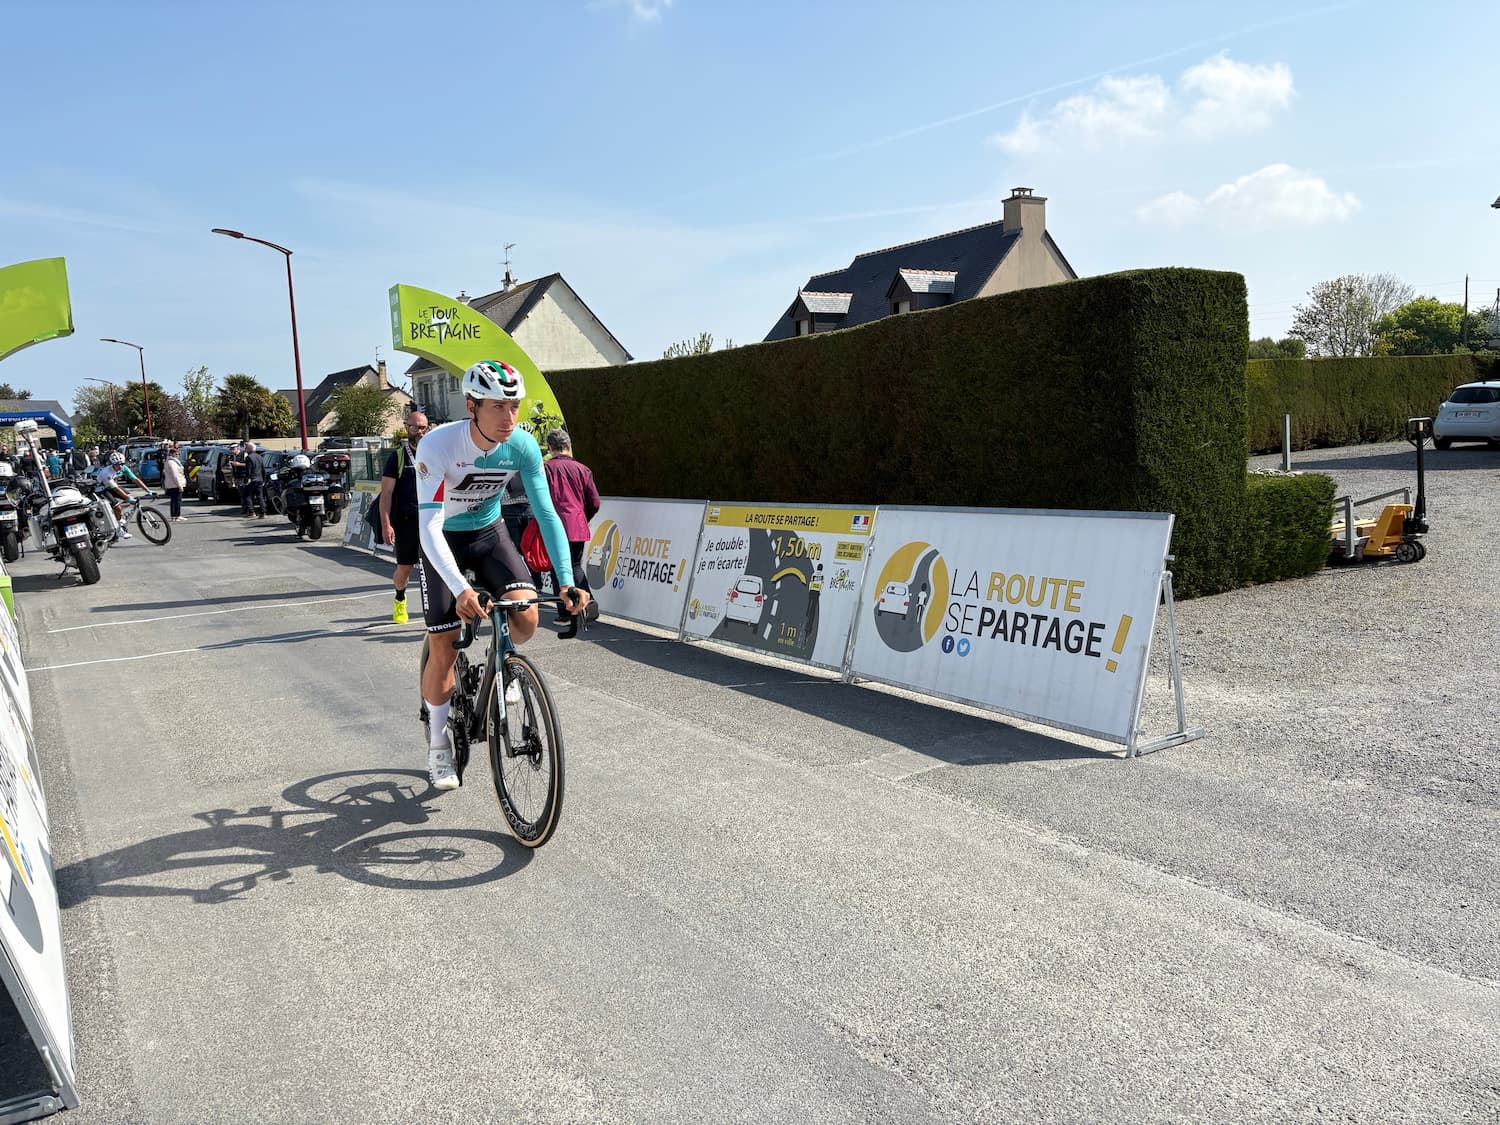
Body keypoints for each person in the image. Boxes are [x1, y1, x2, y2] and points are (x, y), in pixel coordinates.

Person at [416, 360, 588, 791]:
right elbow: (429, 525)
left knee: (526, 617)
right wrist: (460, 589)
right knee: (444, 647)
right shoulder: (437, 445)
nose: (509, 417)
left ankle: (502, 666)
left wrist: (567, 581)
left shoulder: (523, 446)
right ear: (471, 406)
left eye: (514, 406)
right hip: (443, 538)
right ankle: (438, 744)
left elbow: (547, 513)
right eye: (497, 406)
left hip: (488, 533)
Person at [541, 428, 600, 639]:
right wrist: (583, 517)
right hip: (577, 524)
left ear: (550, 447)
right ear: (568, 446)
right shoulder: (583, 469)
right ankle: (587, 600)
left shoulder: (546, 469)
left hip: (554, 524)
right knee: (575, 565)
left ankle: (565, 613)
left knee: (557, 568)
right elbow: (594, 502)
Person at [378, 411, 428, 624]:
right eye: (415, 427)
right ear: (407, 427)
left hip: (431, 521)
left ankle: (436, 608)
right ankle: (400, 598)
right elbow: (386, 493)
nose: (420, 432)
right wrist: (386, 524)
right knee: (405, 568)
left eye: (424, 427)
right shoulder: (397, 457)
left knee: (436, 568)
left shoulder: (435, 453)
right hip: (407, 521)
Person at [93, 452, 139, 540]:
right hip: (101, 490)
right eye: (118, 465)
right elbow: (116, 489)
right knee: (118, 507)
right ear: (112, 464)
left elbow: (135, 479)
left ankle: (116, 514)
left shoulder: (121, 468)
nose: (120, 467)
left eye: (122, 464)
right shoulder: (106, 472)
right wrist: (127, 499)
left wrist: (147, 490)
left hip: (109, 487)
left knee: (129, 496)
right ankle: (119, 531)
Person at [161, 442, 187, 521]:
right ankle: (176, 515)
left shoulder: (173, 461)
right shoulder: (171, 462)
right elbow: (175, 475)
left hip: (173, 483)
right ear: (172, 454)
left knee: (175, 500)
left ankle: (176, 515)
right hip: (174, 484)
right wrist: (179, 485)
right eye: (177, 454)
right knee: (176, 500)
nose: (178, 455)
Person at [240, 442, 265, 518]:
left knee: (246, 495)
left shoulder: (249, 457)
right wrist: (263, 479)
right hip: (260, 479)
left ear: (250, 449)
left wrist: (246, 479)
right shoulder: (260, 457)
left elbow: (248, 470)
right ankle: (263, 513)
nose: (245, 449)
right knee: (260, 496)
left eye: (246, 447)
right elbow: (263, 469)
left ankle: (251, 512)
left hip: (252, 479)